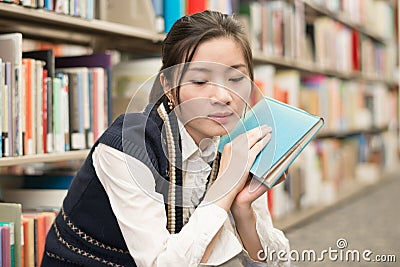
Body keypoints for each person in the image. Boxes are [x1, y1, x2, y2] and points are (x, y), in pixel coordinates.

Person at [42, 10, 290, 267]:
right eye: (201, 80)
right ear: (169, 86)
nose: (223, 96)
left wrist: (242, 211)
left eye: (236, 78)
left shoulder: (236, 142)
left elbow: (277, 264)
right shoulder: (127, 147)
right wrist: (225, 184)